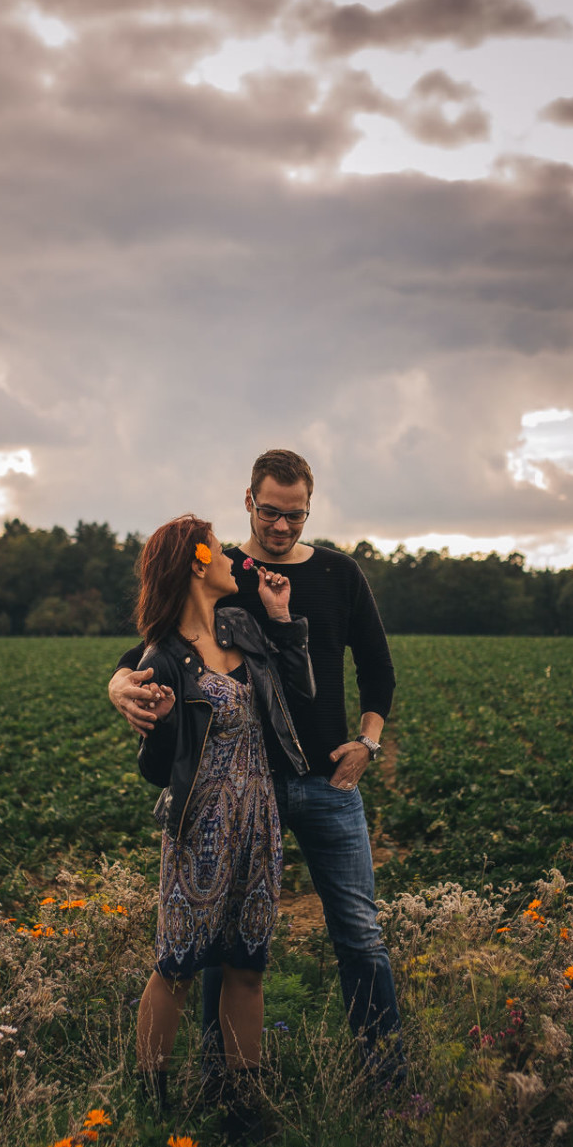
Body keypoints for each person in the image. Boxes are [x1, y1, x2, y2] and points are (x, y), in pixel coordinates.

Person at [112, 449, 403, 1089]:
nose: (281, 526)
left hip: (328, 782)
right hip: (246, 790)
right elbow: (156, 643)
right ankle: (222, 1081)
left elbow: (377, 668)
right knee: (221, 947)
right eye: (270, 512)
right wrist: (117, 683)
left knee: (359, 935)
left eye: (295, 515)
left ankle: (386, 1081)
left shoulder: (338, 573)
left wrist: (368, 742)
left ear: (310, 509)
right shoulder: (226, 573)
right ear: (249, 500)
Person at [127, 513, 315, 1141]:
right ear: (196, 562)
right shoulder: (163, 659)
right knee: (178, 963)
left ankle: (243, 1102)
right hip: (201, 829)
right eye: (219, 549)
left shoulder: (241, 625)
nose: (234, 557)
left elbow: (298, 695)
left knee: (248, 963)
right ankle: (150, 1101)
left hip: (259, 819)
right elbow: (155, 769)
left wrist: (282, 621)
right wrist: (158, 719)